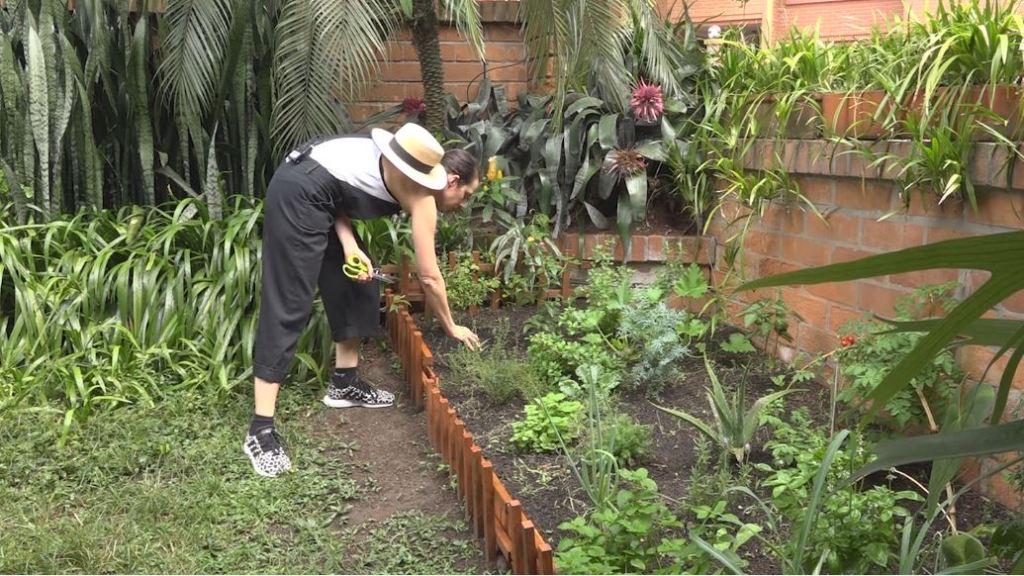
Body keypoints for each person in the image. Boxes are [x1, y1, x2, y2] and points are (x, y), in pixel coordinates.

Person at [243, 123, 482, 478]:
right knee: (289, 302)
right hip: (296, 193)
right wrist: (451, 325)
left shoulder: (402, 164)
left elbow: (333, 189)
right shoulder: (424, 198)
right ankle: (260, 430)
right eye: (466, 196)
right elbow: (430, 276)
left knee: (357, 280)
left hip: (317, 193)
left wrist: (350, 245)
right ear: (451, 181)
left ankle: (345, 383)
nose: (463, 206)